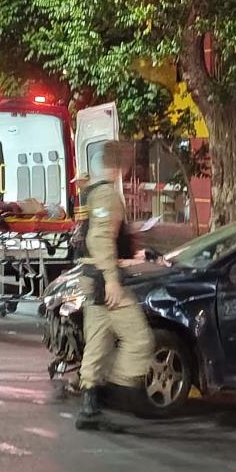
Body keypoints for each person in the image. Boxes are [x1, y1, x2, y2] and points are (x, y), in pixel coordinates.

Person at [75, 141, 154, 431]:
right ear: (120, 163)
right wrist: (111, 278)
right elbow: (99, 239)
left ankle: (89, 405)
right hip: (103, 278)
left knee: (97, 341)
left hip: (90, 277)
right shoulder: (108, 195)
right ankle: (117, 389)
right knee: (140, 339)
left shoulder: (91, 192)